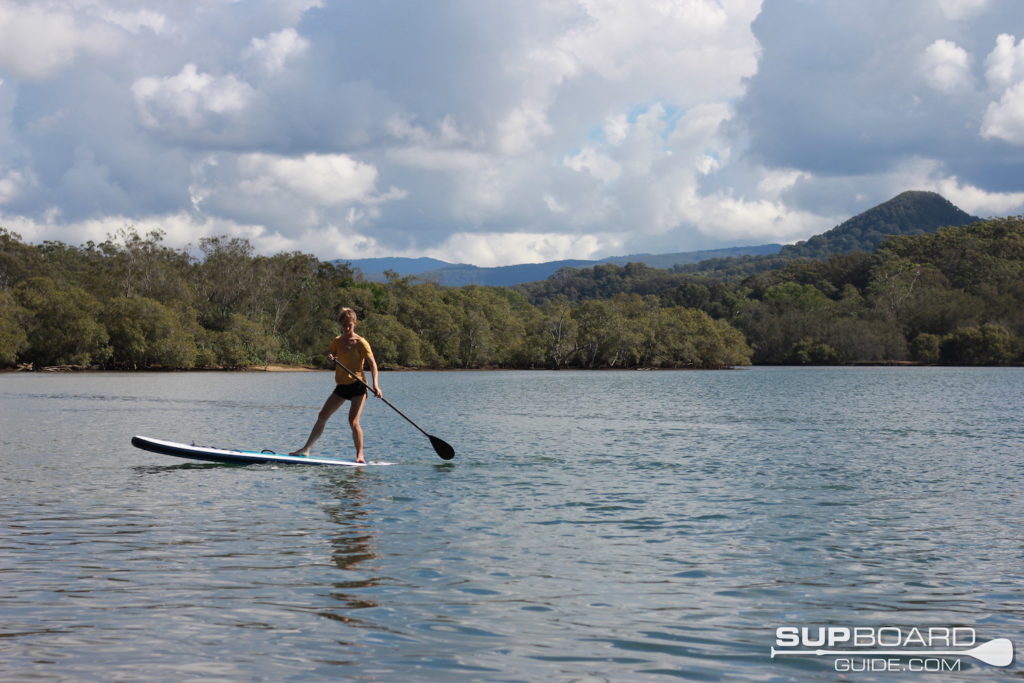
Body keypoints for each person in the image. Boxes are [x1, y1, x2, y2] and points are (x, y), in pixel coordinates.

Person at [291, 307, 382, 463]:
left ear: (355, 323)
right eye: (344, 325)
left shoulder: (362, 343)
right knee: (322, 416)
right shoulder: (337, 341)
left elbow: (373, 364)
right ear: (341, 324)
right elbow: (332, 354)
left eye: (350, 325)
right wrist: (331, 357)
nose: (347, 328)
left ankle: (360, 455)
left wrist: (376, 385)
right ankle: (306, 449)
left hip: (358, 386)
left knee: (353, 421)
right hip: (342, 386)